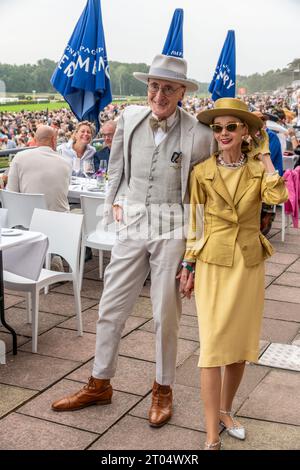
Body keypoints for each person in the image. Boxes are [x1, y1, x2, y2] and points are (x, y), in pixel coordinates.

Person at [51, 54, 213, 427]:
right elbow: (117, 172)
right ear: (148, 88)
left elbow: (201, 194)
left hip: (173, 228)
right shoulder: (128, 119)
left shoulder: (199, 135)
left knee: (165, 314)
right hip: (133, 226)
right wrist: (115, 204)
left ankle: (162, 388)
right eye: (154, 86)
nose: (159, 94)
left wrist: (194, 252)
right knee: (110, 307)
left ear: (182, 92)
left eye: (168, 88)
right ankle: (99, 382)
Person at [178, 98, 288, 450]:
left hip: (248, 264)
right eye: (218, 128)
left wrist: (265, 153)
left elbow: (279, 194)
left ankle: (226, 412)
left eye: (231, 127)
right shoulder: (201, 172)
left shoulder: (257, 171)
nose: (223, 133)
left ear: (244, 132)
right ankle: (212, 435)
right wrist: (188, 264)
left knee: (239, 348)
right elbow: (194, 223)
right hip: (212, 262)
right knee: (211, 347)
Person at [7, 125, 70, 213]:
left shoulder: (19, 157)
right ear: (53, 140)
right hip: (59, 220)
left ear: (36, 140)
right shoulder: (66, 162)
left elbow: (11, 193)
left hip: (27, 220)